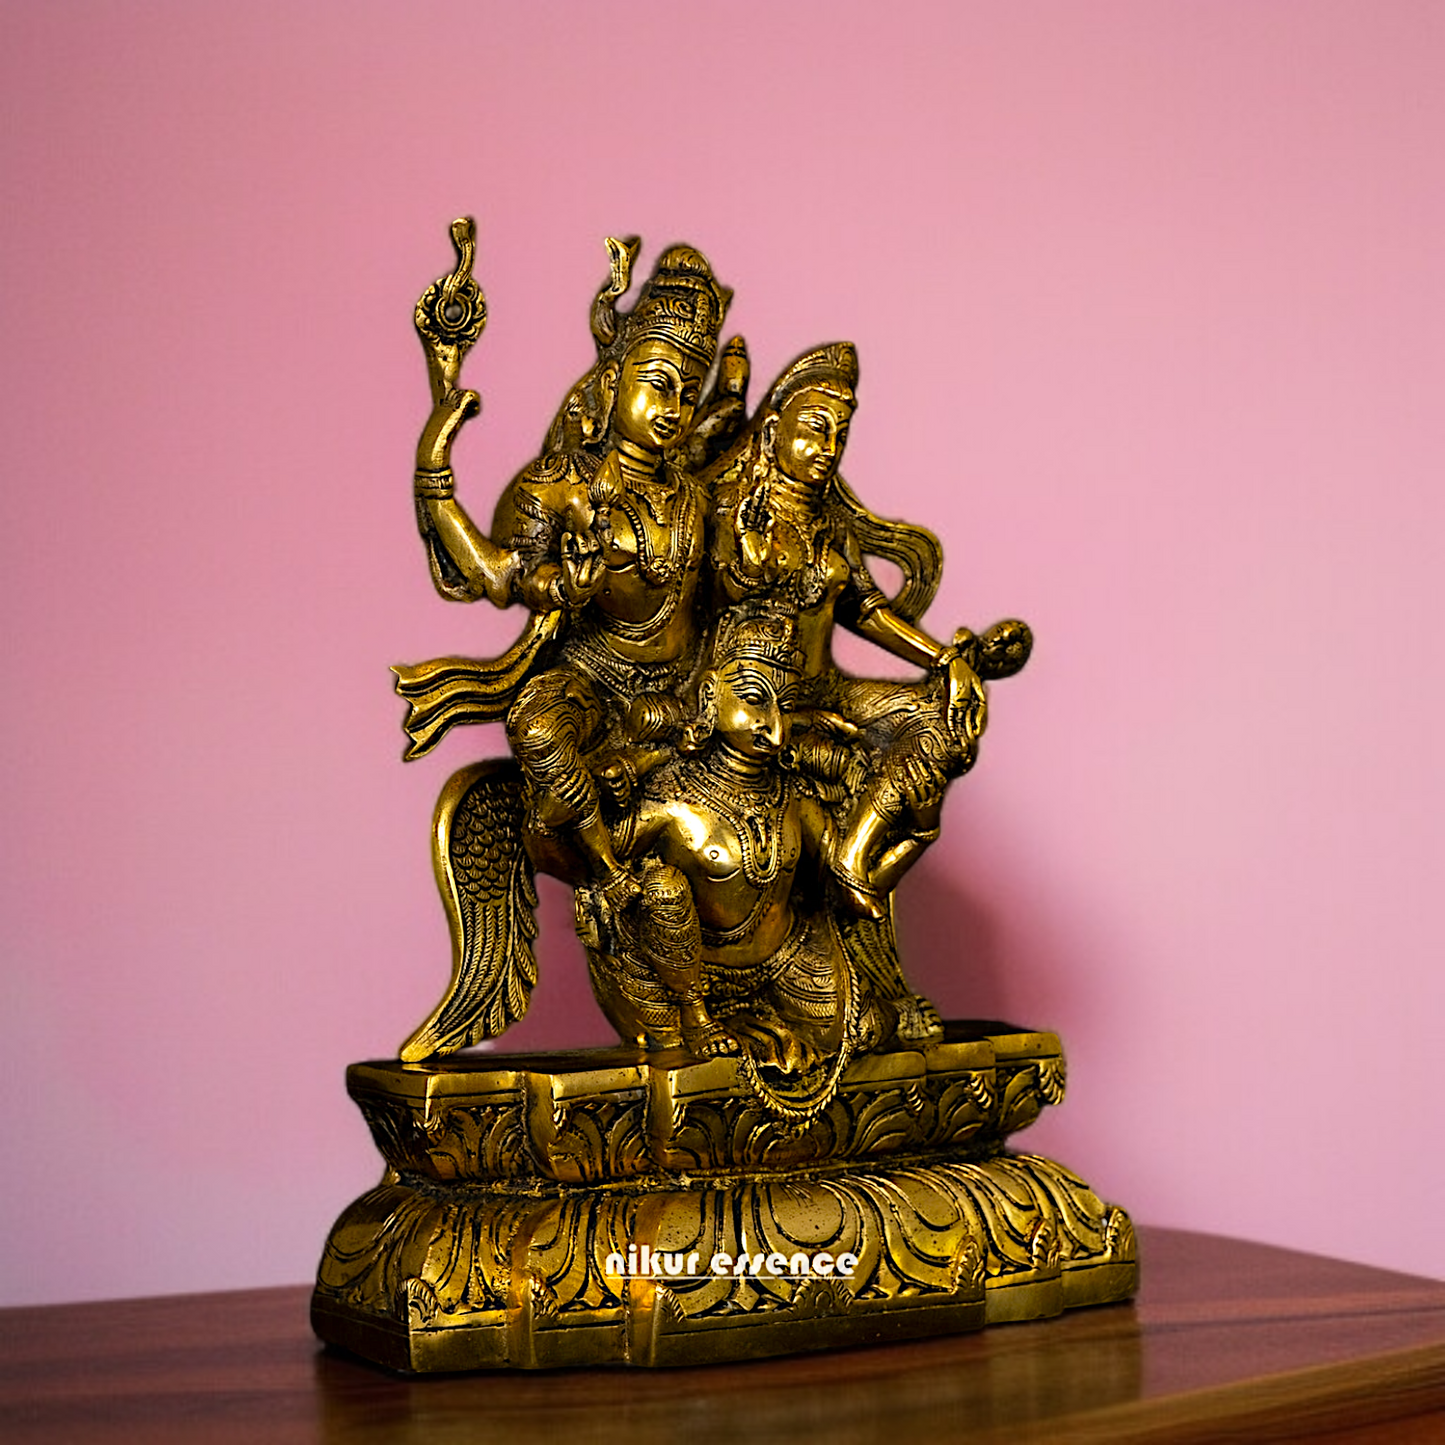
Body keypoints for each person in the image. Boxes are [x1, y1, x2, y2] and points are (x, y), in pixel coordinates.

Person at [396, 242, 736, 911]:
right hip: (594, 681)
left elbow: (725, 604)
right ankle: (608, 874)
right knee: (537, 729)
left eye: (688, 391)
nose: (674, 405)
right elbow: (495, 575)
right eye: (658, 382)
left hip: (683, 687)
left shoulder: (696, 499)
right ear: (612, 384)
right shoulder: (560, 485)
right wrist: (435, 467)